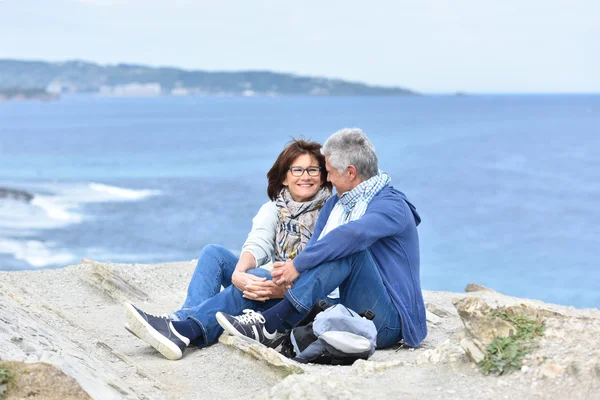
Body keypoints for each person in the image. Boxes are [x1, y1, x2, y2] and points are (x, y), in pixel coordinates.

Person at [216, 128, 427, 350]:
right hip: (339, 307)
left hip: (384, 324)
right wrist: (287, 278)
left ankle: (268, 325)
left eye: (330, 172)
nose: (326, 178)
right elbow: (317, 252)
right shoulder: (335, 205)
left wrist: (297, 264)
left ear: (351, 173)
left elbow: (353, 235)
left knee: (349, 249)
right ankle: (193, 327)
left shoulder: (392, 205)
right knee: (259, 280)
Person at [124, 139, 332, 360]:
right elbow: (258, 243)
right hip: (276, 286)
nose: (306, 176)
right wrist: (238, 273)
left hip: (300, 302)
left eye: (312, 170)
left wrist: (279, 288)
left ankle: (184, 329)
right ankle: (182, 322)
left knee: (259, 276)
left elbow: (324, 275)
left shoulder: (329, 212)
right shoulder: (274, 209)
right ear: (284, 178)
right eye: (297, 170)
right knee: (214, 254)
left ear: (322, 175)